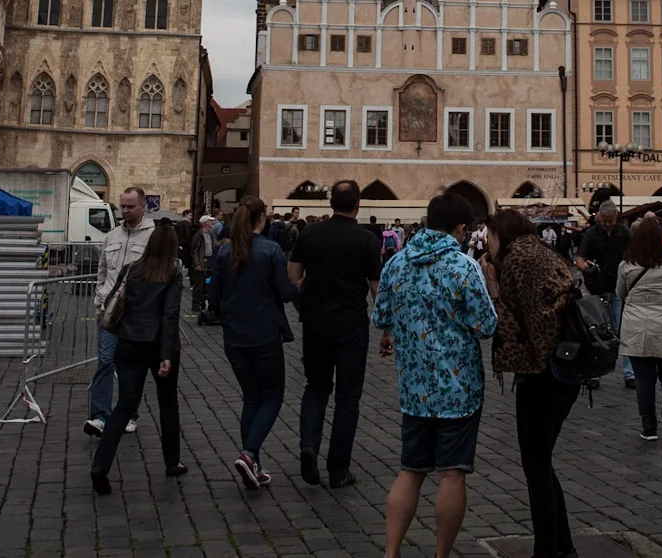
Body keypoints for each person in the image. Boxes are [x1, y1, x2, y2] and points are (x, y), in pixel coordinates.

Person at [374, 192, 497, 558]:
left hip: (414, 388)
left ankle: (391, 552)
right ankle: (441, 555)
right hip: (458, 390)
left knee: (410, 470)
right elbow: (485, 325)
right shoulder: (462, 266)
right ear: (460, 228)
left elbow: (381, 316)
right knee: (451, 474)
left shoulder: (396, 263)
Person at [481, 208, 578, 558]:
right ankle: (563, 546)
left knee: (536, 467)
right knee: (543, 463)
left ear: (501, 234)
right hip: (567, 370)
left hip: (541, 375)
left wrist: (491, 284)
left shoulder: (516, 261)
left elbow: (508, 325)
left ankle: (547, 549)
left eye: (489, 235)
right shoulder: (541, 252)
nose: (486, 242)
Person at [289, 180, 380, 488]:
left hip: (316, 322)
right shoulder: (366, 240)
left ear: (331, 203)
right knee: (348, 397)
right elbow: (375, 289)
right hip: (352, 324)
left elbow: (293, 276)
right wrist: (387, 326)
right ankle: (338, 469)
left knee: (316, 387)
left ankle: (308, 445)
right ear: (357, 205)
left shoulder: (310, 233)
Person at [207, 197, 298, 489]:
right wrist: (300, 284)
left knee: (251, 397)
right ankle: (248, 455)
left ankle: (253, 464)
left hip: (234, 336)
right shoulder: (271, 250)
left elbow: (215, 297)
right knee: (272, 397)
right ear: (263, 218)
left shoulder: (225, 251)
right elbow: (284, 293)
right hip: (264, 333)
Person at [89, 224, 186, 492]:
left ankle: (100, 465)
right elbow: (170, 317)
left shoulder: (132, 269)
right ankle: (172, 461)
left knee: (124, 405)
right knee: (167, 403)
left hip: (129, 344)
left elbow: (115, 301)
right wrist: (166, 355)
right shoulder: (172, 274)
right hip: (157, 346)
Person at [88, 186, 155, 436]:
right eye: (122, 206)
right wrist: (99, 300)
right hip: (110, 309)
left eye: (130, 206)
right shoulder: (112, 236)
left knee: (131, 366)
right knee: (105, 361)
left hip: (138, 311)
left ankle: (128, 413)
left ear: (142, 206)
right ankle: (99, 416)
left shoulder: (152, 236)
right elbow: (102, 272)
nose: (125, 211)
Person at [617, 215, 662, 440]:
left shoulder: (626, 266)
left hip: (637, 327)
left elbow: (620, 294)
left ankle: (648, 427)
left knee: (643, 378)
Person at [573, 200, 633, 387]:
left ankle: (629, 374)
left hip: (618, 287)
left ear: (616, 218)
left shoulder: (624, 233)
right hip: (596, 287)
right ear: (599, 218)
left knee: (620, 329)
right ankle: (595, 374)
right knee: (596, 331)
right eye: (604, 221)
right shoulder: (591, 234)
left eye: (610, 221)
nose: (607, 224)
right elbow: (579, 258)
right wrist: (585, 267)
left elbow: (634, 254)